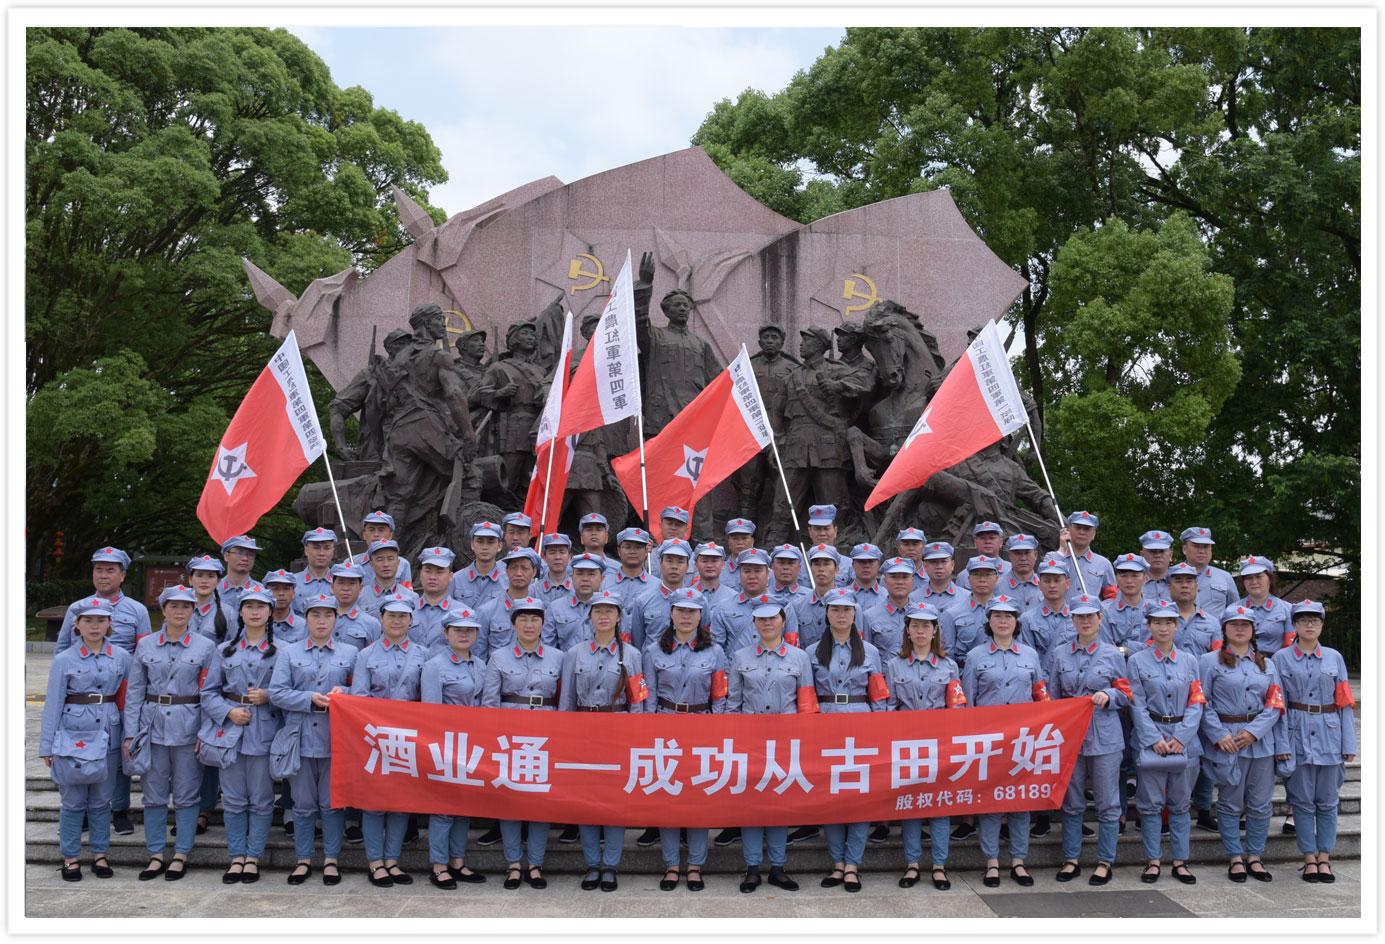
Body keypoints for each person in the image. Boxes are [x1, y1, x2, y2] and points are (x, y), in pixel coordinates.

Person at [123, 585, 217, 881]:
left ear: (194, 611)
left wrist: (206, 731)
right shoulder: (146, 645)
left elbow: (210, 693)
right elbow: (135, 691)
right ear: (163, 609)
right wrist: (131, 733)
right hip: (152, 727)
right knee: (153, 795)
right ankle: (154, 853)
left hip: (189, 726)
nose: (179, 611)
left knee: (188, 795)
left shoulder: (205, 646)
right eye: (173, 606)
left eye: (186, 606)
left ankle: (181, 853)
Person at [559, 593, 648, 892]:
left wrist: (635, 737)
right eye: (598, 610)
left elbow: (638, 701)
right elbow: (567, 699)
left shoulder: (633, 655)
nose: (604, 616)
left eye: (610, 610)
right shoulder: (575, 653)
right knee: (586, 803)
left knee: (614, 802)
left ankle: (610, 864)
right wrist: (565, 734)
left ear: (619, 616)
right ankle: (591, 864)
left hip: (618, 732)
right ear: (590, 616)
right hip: (583, 732)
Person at [726, 602, 816, 893]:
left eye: (773, 618)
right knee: (751, 804)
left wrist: (805, 738)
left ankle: (778, 867)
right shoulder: (739, 656)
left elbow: (806, 702)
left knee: (779, 803)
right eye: (761, 619)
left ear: (782, 622)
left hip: (787, 740)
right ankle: (752, 868)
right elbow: (733, 703)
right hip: (750, 739)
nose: (767, 624)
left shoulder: (800, 658)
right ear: (754, 623)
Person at [268, 594, 357, 886]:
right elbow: (277, 692)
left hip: (336, 738)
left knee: (332, 803)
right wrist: (308, 698)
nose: (321, 621)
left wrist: (345, 695)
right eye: (315, 615)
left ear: (336, 619)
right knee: (303, 804)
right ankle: (303, 859)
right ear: (305, 619)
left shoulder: (350, 652)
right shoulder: (290, 653)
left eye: (327, 615)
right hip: (300, 737)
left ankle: (331, 859)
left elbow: (360, 692)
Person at [39, 599, 130, 882]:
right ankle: (70, 857)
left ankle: (101, 854)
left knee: (102, 800)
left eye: (101, 620)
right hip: (72, 734)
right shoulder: (64, 659)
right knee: (74, 801)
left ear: (109, 624)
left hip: (108, 731)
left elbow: (128, 699)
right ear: (76, 625)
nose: (95, 626)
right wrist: (47, 745)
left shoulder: (122, 657)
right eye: (88, 621)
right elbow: (52, 703)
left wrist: (129, 736)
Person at [644, 588, 728, 892]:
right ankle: (670, 864)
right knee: (668, 797)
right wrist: (649, 730)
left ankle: (695, 864)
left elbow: (719, 695)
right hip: (665, 728)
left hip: (701, 728)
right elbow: (649, 695)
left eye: (692, 611)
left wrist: (717, 731)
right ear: (670, 613)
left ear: (701, 615)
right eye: (680, 610)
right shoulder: (654, 650)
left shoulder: (715, 652)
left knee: (698, 799)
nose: (685, 616)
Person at [961, 597, 1047, 888]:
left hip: (1023, 737)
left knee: (1021, 801)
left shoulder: (1030, 655)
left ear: (1016, 622)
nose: (1003, 621)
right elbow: (968, 701)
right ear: (988, 622)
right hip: (989, 738)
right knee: (991, 800)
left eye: (1008, 617)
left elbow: (1040, 695)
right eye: (997, 616)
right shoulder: (975, 656)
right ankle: (992, 861)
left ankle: (1019, 861)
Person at [1199, 604, 1289, 883]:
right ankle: (1235, 857)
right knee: (1230, 802)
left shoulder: (1267, 663)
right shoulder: (1209, 662)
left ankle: (1256, 856)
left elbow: (1275, 703)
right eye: (1234, 624)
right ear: (1224, 629)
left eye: (1245, 625)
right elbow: (1201, 702)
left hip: (1259, 741)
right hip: (1227, 740)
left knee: (1261, 803)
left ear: (1253, 631)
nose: (1240, 629)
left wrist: (1254, 732)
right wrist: (1218, 735)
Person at [480, 596, 564, 890]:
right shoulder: (498, 657)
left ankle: (536, 864)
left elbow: (563, 700)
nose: (529, 625)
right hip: (508, 739)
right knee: (510, 800)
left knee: (539, 801)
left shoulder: (558, 657)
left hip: (544, 738)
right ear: (513, 624)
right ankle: (514, 863)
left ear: (543, 624)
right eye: (523, 619)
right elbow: (490, 702)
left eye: (535, 619)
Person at [1048, 595, 1131, 886]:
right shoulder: (1060, 654)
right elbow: (1053, 696)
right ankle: (1071, 858)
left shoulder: (1112, 654)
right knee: (1072, 802)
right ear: (1072, 620)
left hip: (1105, 736)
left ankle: (1105, 861)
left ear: (1100, 618)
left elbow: (1126, 693)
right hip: (1071, 737)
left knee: (1108, 802)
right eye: (1079, 617)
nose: (1085, 621)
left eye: (1091, 616)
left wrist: (1110, 696)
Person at [200, 587, 282, 885]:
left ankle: (253, 857)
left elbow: (289, 692)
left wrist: (269, 695)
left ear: (270, 612)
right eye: (249, 607)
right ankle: (236, 856)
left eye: (261, 607)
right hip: (230, 731)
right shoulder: (223, 650)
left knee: (261, 799)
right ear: (241, 612)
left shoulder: (282, 651)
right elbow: (208, 692)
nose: (255, 612)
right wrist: (227, 712)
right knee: (233, 799)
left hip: (265, 730)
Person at [811, 588, 889, 892]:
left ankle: (853, 863)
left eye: (846, 610)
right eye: (835, 609)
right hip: (826, 724)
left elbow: (879, 695)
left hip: (862, 723)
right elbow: (806, 696)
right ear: (827, 614)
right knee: (832, 797)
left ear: (855, 614)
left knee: (859, 798)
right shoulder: (812, 651)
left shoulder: (870, 652)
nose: (841, 615)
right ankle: (838, 863)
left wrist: (880, 731)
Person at [1272, 600, 1356, 883]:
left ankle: (1325, 859)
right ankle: (1309, 859)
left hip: (1329, 734)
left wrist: (1349, 743)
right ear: (1294, 625)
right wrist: (1281, 744)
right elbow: (1278, 704)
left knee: (1328, 802)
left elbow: (1344, 701)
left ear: (1322, 624)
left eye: (1315, 620)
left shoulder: (1334, 658)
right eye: (1303, 619)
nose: (1309, 624)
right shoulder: (1281, 659)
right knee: (1302, 801)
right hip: (1296, 733)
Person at [885, 603, 966, 891]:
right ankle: (912, 863)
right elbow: (889, 707)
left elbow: (956, 707)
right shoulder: (894, 665)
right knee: (911, 807)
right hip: (906, 746)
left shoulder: (949, 665)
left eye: (926, 626)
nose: (920, 631)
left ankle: (940, 865)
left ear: (935, 631)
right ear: (907, 630)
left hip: (939, 745)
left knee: (939, 805)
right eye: (915, 625)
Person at [351, 594, 428, 887]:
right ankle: (375, 862)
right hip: (375, 735)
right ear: (381, 618)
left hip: (409, 736)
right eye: (391, 615)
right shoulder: (366, 655)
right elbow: (359, 695)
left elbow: (426, 695)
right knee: (374, 802)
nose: (397, 621)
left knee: (400, 801)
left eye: (403, 616)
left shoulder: (423, 653)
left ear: (411, 620)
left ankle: (393, 860)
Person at [1127, 600, 1203, 886]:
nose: (1163, 627)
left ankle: (1181, 861)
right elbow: (1136, 703)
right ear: (1149, 625)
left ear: (1176, 625)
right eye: (1157, 622)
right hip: (1151, 740)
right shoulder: (1137, 661)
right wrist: (1153, 739)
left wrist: (1182, 737)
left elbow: (1196, 701)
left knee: (1181, 803)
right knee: (1150, 804)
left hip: (1184, 740)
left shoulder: (1190, 660)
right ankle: (1153, 860)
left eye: (1168, 622)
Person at [420, 611, 489, 889]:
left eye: (470, 630)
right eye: (457, 630)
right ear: (446, 633)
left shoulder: (480, 664)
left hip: (472, 743)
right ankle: (439, 865)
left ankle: (458, 861)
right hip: (445, 743)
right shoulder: (435, 665)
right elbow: (431, 710)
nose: (464, 635)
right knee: (442, 807)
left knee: (463, 806)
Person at [709, 549, 802, 655]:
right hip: (735, 669)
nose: (752, 576)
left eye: (758, 571)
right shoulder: (723, 608)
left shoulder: (784, 606)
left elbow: (792, 646)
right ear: (739, 573)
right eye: (747, 571)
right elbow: (716, 651)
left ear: (768, 573)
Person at [479, 551, 549, 658]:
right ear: (506, 571)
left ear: (534, 572)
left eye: (524, 568)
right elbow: (479, 656)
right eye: (514, 568)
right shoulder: (487, 611)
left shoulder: (542, 610)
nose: (519, 573)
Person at [942, 557, 1005, 667]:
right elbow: (948, 655)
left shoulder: (1007, 612)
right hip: (965, 673)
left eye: (988, 575)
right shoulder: (952, 614)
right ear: (969, 579)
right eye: (976, 574)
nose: (982, 579)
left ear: (997, 578)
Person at [860, 557, 918, 656]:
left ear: (912, 580)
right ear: (885, 579)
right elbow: (866, 655)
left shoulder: (921, 614)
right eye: (894, 577)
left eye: (905, 577)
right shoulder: (869, 616)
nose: (900, 582)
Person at [1056, 510, 1117, 603]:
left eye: (1087, 529)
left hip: (1090, 616)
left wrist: (1099, 614)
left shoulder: (1104, 564)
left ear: (1093, 535)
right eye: (1078, 527)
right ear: (1068, 530)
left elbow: (1111, 597)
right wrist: (1062, 547)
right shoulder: (1057, 558)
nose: (1082, 532)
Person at [1237, 556, 1293, 656]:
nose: (1254, 582)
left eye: (1259, 576)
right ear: (1243, 582)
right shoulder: (1233, 610)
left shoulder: (1287, 610)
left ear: (1269, 579)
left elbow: (1290, 646)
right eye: (1249, 577)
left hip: (1276, 666)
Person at [792, 544, 844, 649]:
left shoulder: (849, 605)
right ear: (810, 569)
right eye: (816, 564)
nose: (821, 569)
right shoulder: (797, 606)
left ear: (837, 569)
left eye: (826, 564)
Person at [411, 546, 461, 655]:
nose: (432, 577)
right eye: (428, 571)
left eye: (439, 572)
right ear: (420, 574)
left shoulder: (461, 613)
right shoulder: (407, 610)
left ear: (451, 576)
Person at [1180, 526, 1239, 615]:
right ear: (1184, 549)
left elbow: (1235, 611)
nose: (1202, 551)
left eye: (1206, 546)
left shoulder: (1225, 577)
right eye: (1196, 546)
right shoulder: (1172, 576)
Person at [351, 510, 414, 585]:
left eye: (381, 530)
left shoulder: (403, 564)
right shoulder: (352, 562)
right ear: (364, 535)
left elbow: (407, 594)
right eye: (371, 530)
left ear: (390, 535)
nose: (376, 534)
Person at [1104, 554, 1151, 649]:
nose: (1129, 581)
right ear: (1116, 579)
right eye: (1124, 576)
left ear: (1145, 579)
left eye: (1135, 576)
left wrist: (1125, 650)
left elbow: (1160, 646)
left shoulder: (1155, 609)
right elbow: (1105, 648)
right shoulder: (1104, 610)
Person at [358, 539, 412, 617]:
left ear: (398, 562)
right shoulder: (359, 597)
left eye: (390, 559)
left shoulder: (411, 597)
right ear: (371, 564)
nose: (386, 564)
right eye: (380, 559)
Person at [186, 554, 233, 643]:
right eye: (199, 575)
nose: (204, 581)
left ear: (218, 581)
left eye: (211, 576)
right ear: (190, 580)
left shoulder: (228, 613)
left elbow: (232, 648)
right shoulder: (177, 610)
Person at [292, 528, 337, 615]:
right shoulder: (293, 583)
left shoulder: (341, 583)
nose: (321, 553)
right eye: (316, 548)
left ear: (333, 551)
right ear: (306, 550)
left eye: (327, 548)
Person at [955, 522, 1012, 589]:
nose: (987, 541)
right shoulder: (964, 576)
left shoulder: (1012, 571)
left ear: (1001, 542)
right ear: (975, 543)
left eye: (992, 538)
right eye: (982, 538)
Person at [218, 535, 263, 617]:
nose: (245, 558)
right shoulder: (213, 590)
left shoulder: (262, 591)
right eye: (239, 553)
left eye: (250, 554)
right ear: (226, 556)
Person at [1000, 534, 1043, 613]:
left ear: (1035, 555)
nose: (1023, 558)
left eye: (1027, 553)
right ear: (1009, 555)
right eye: (1017, 553)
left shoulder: (1045, 586)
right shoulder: (997, 586)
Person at [263, 569, 305, 644]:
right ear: (265, 593)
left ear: (293, 594)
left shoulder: (304, 627)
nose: (281, 593)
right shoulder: (256, 624)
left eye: (286, 589)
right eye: (275, 589)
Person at [916, 541, 962, 605]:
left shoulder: (966, 598)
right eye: (933, 562)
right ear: (925, 566)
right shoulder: (913, 598)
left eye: (944, 561)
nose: (939, 566)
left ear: (952, 565)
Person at [720, 518, 758, 592]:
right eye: (735, 538)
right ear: (728, 542)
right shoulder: (718, 571)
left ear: (752, 541)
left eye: (744, 538)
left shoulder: (764, 571)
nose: (740, 542)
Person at [536, 534, 574, 603]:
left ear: (569, 557)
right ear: (544, 557)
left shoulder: (577, 589)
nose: (557, 557)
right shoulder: (534, 590)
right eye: (552, 552)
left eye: (562, 552)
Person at [1139, 530, 1176, 602]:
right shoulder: (1133, 583)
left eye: (1162, 551)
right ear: (1142, 555)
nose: (1157, 555)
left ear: (1170, 555)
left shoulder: (1181, 582)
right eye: (1152, 551)